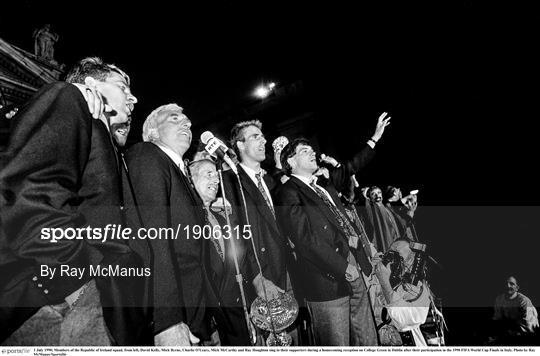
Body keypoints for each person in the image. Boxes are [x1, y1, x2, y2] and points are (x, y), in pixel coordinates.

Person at [0, 57, 149, 345]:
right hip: (66, 306)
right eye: (122, 86)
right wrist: (75, 285)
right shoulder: (67, 96)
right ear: (91, 85)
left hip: (104, 308)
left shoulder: (109, 145)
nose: (133, 98)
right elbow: (30, 192)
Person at [274, 112, 390, 346]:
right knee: (337, 343)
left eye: (312, 150)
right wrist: (342, 267)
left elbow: (352, 165)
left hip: (356, 270)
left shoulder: (324, 186)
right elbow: (305, 239)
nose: (313, 153)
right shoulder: (288, 193)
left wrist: (374, 138)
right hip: (327, 281)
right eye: (304, 151)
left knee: (366, 338)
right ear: (291, 162)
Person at [123, 104, 208, 346]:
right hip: (174, 321)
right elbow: (149, 241)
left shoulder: (180, 172)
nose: (186, 124)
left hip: (196, 316)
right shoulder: (146, 155)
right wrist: (165, 320)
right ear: (153, 132)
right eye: (175, 118)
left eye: (188, 121)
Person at [188, 158, 253, 345]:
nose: (216, 180)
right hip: (211, 321)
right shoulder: (187, 220)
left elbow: (241, 256)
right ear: (190, 180)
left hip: (238, 309)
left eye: (217, 176)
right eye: (208, 174)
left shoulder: (221, 216)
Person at [370, 239, 433, 346]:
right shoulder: (381, 273)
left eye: (399, 258)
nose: (393, 262)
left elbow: (403, 321)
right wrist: (371, 269)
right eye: (390, 255)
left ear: (412, 261)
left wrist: (384, 282)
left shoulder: (419, 289)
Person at [491, 276, 539, 343]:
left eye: (512, 284)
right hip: (510, 329)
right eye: (506, 284)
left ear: (517, 288)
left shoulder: (524, 301)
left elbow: (527, 326)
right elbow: (497, 318)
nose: (508, 286)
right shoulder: (499, 299)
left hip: (527, 331)